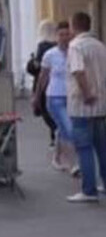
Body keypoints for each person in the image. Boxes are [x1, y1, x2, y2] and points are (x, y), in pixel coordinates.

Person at [65, 12, 106, 203]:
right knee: (102, 147)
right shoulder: (101, 46)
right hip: (101, 104)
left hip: (82, 105)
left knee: (84, 148)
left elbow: (78, 71)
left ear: (74, 26)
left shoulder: (76, 46)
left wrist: (87, 94)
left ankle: (89, 190)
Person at [32, 21, 77, 173]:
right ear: (56, 36)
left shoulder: (75, 53)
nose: (64, 38)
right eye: (61, 35)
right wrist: (37, 96)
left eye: (67, 34)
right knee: (69, 129)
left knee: (62, 129)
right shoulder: (50, 54)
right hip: (54, 97)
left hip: (72, 97)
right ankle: (72, 164)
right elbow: (43, 77)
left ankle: (57, 158)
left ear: (71, 35)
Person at [28, 19, 57, 146]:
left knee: (46, 111)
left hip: (44, 84)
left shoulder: (42, 46)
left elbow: (38, 68)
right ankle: (55, 137)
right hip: (56, 83)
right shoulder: (57, 45)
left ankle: (56, 136)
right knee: (55, 112)